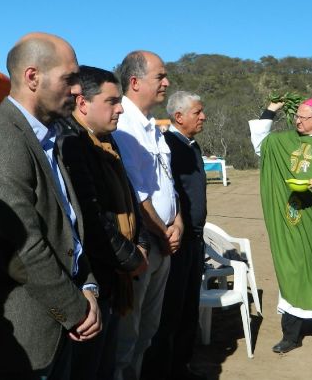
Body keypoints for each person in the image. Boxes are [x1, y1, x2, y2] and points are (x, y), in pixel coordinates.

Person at [0, 32, 101, 379]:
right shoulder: (1, 141)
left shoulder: (46, 138)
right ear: (33, 77)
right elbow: (21, 248)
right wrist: (75, 310)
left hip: (57, 322)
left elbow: (68, 227)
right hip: (22, 341)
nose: (77, 90)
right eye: (69, 79)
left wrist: (87, 285)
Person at [58, 65, 148, 379]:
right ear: (82, 103)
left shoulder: (105, 141)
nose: (120, 108)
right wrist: (131, 257)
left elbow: (129, 199)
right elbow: (91, 219)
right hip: (96, 279)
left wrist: (140, 244)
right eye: (112, 101)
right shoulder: (72, 144)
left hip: (114, 275)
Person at [249, 97, 312, 354]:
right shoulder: (283, 141)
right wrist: (271, 110)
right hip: (291, 218)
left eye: (303, 117)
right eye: (296, 116)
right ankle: (291, 335)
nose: (297, 121)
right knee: (292, 270)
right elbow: (260, 142)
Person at [112, 50, 182, 379]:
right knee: (127, 336)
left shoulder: (151, 126)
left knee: (147, 331)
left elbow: (167, 184)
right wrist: (163, 232)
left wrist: (177, 221)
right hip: (145, 244)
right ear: (136, 81)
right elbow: (138, 195)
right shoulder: (123, 125)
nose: (166, 82)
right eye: (160, 76)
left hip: (164, 241)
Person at [142, 91, 207, 380]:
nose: (203, 116)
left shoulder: (192, 146)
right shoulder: (168, 145)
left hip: (195, 240)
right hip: (175, 241)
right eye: (197, 112)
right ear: (178, 117)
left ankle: (182, 367)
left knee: (189, 307)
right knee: (171, 312)